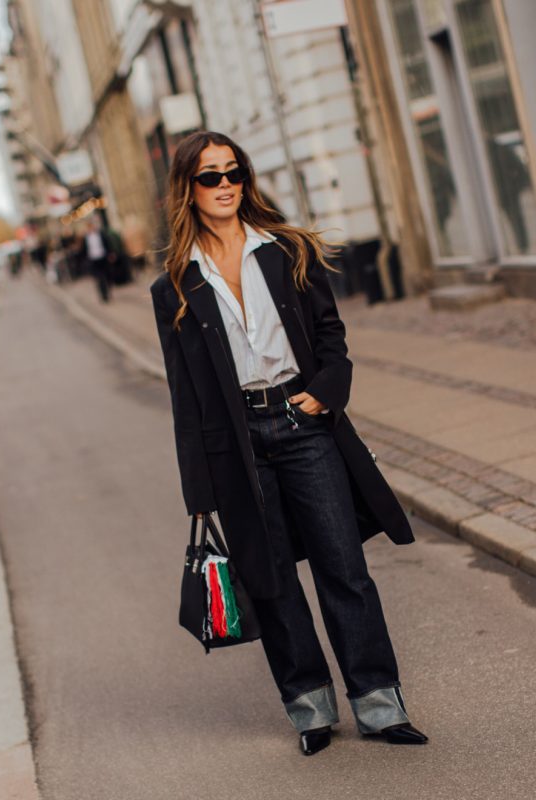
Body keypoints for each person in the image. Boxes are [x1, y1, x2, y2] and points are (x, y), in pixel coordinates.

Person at [151, 131, 428, 757]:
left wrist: (326, 392)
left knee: (344, 569)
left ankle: (380, 706)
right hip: (238, 445)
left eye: (233, 173)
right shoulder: (174, 286)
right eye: (210, 177)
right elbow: (185, 399)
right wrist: (200, 493)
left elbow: (332, 339)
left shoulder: (287, 251)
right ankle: (311, 711)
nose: (225, 186)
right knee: (272, 581)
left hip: (302, 426)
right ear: (187, 191)